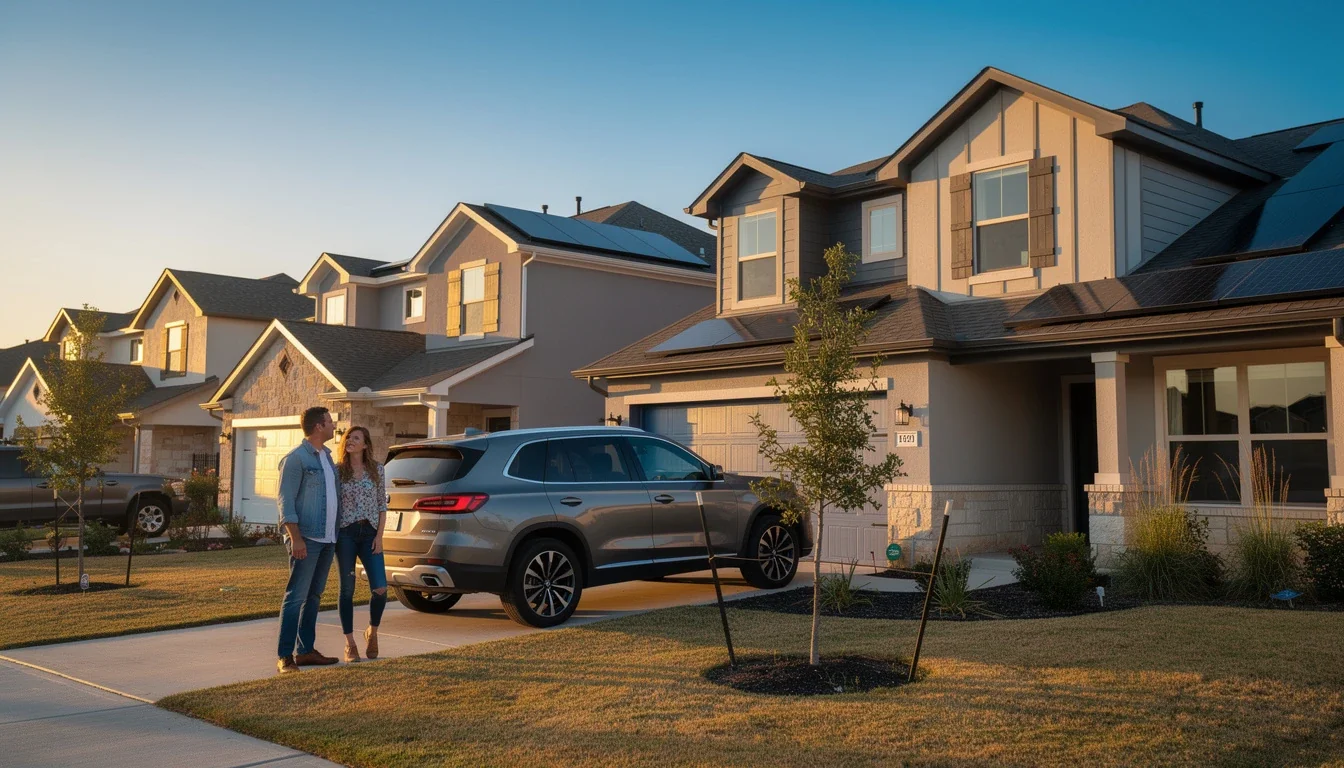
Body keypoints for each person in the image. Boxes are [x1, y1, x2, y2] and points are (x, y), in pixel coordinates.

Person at [275, 406, 341, 674]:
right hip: (307, 539)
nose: (333, 425)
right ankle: (285, 656)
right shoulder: (296, 459)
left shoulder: (326, 457)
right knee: (296, 597)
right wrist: (296, 538)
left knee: (313, 596)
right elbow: (285, 502)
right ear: (318, 427)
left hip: (328, 539)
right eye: (329, 422)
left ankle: (305, 651)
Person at [334, 425, 388, 662]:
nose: (350, 441)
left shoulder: (377, 470)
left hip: (370, 533)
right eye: (348, 438)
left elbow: (382, 505)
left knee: (380, 588)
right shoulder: (338, 471)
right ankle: (350, 644)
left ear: (365, 445)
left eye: (356, 438)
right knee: (347, 590)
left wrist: (379, 536)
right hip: (345, 534)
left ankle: (372, 632)